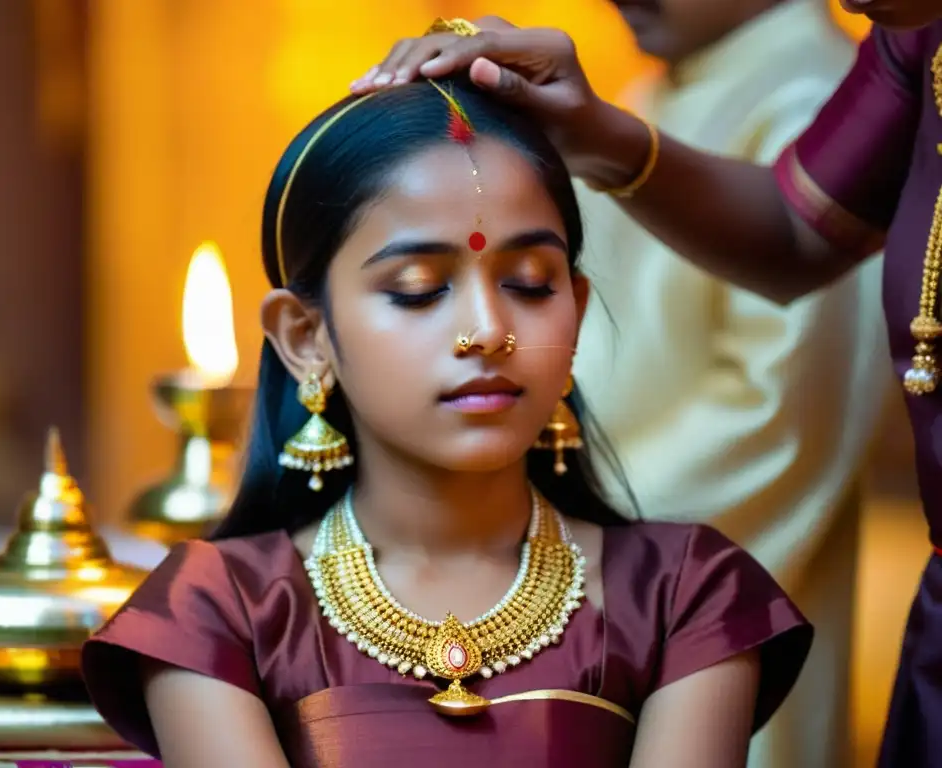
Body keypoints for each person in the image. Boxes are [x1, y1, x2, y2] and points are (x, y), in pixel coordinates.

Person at [80, 75, 811, 767]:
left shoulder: (685, 595)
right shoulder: (218, 612)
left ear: (577, 312)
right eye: (419, 290)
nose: (489, 331)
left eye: (531, 285)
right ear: (307, 337)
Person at [350, 4, 942, 766]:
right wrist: (593, 134)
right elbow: (795, 232)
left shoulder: (801, 79)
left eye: (535, 283)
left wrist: (546, 561)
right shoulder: (916, 39)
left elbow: (775, 424)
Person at [574, 2, 889, 766]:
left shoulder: (813, 102)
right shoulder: (664, 87)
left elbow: (778, 419)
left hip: (716, 611)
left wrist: (573, 540)